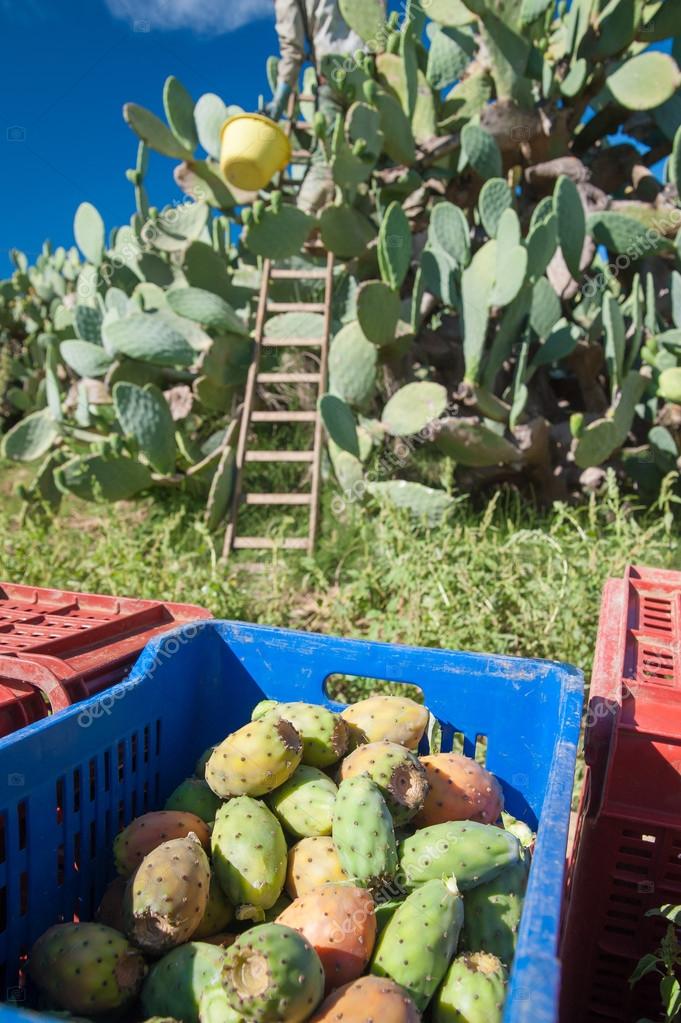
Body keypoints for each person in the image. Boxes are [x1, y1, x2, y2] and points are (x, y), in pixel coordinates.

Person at [267, 0, 381, 214]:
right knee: (380, 156)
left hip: (333, 77)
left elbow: (292, 47)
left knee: (326, 162)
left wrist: (279, 100)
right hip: (375, 76)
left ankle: (304, 229)